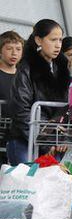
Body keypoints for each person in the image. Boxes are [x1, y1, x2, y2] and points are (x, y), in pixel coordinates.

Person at [8, 19, 71, 165]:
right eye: (53, 39)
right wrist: (45, 141)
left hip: (54, 142)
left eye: (60, 40)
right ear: (38, 40)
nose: (58, 45)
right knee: (26, 186)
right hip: (25, 140)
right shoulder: (26, 67)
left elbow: (68, 108)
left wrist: (62, 138)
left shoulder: (63, 67)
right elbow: (21, 110)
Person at [0, 31, 24, 164]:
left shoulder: (25, 76)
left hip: (18, 135)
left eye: (18, 49)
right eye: (9, 49)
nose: (14, 53)